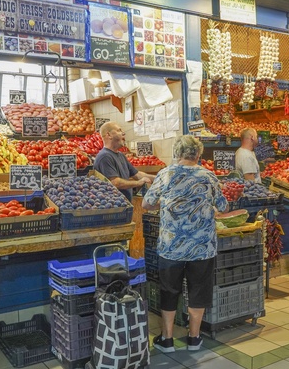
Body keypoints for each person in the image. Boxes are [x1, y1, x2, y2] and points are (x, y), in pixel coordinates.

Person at [142, 135, 228, 352]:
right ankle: (194, 338)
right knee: (198, 290)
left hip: (171, 247)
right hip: (202, 247)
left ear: (177, 153)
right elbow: (223, 207)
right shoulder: (209, 176)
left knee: (169, 290)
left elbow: (147, 204)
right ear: (198, 154)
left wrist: (166, 203)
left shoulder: (166, 173)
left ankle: (167, 339)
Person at [94, 122, 154, 201]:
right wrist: (138, 183)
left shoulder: (120, 155)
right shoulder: (105, 156)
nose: (123, 133)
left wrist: (159, 177)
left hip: (125, 204)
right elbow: (115, 182)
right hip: (113, 205)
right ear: (109, 135)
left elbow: (137, 174)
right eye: (119, 130)